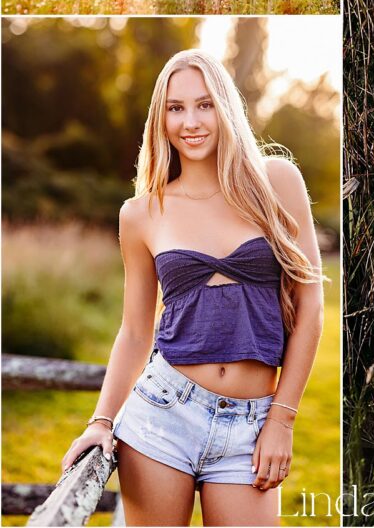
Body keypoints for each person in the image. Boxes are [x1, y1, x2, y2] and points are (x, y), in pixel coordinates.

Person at [60, 51, 324, 526]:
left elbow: (311, 305)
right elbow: (135, 332)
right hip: (162, 414)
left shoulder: (276, 181)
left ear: (225, 107)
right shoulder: (140, 214)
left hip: (251, 424)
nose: (191, 122)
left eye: (204, 105)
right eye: (175, 108)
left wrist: (281, 420)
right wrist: (101, 421)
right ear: (160, 120)